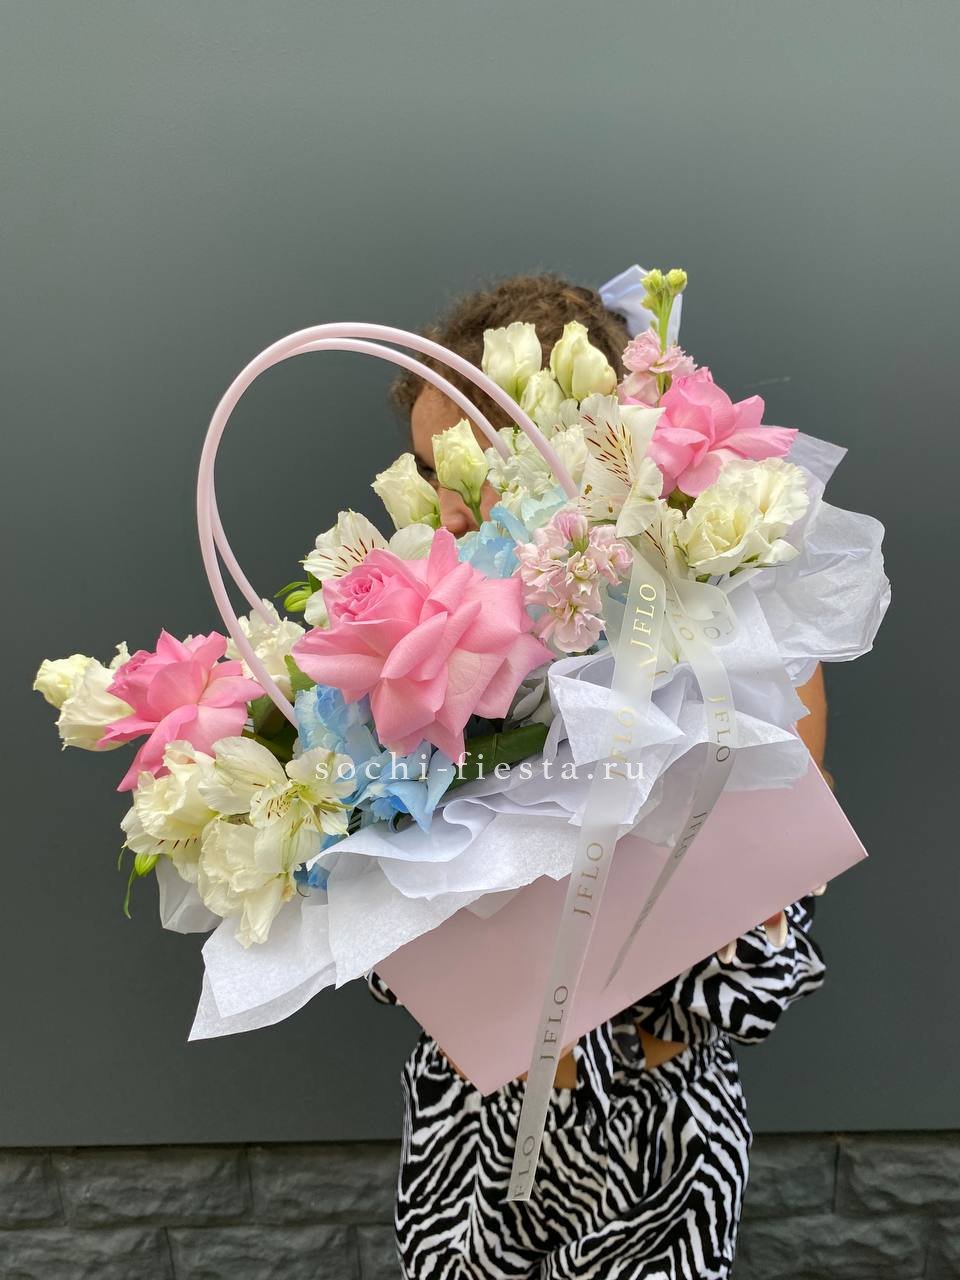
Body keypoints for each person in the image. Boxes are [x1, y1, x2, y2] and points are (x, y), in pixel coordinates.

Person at [368, 273, 829, 1280]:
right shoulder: (408, 639)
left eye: (464, 469)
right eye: (425, 470)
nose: (441, 505)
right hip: (469, 1123)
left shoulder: (727, 648)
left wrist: (640, 1021)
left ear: (565, 446)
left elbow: (765, 915)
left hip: (655, 1134)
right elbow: (380, 908)